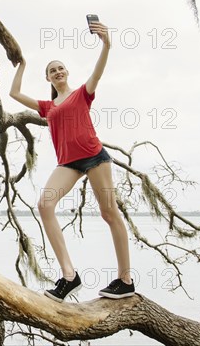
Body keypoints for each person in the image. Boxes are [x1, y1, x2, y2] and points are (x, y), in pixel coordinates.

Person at [9, 21, 135, 302]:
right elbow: (14, 94)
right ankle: (69, 277)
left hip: (94, 157)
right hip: (68, 163)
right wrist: (22, 64)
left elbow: (97, 74)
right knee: (45, 205)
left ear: (66, 73)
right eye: (52, 70)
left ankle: (125, 280)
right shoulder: (47, 107)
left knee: (109, 213)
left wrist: (106, 44)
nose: (58, 72)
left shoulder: (81, 93)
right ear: (49, 79)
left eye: (60, 68)